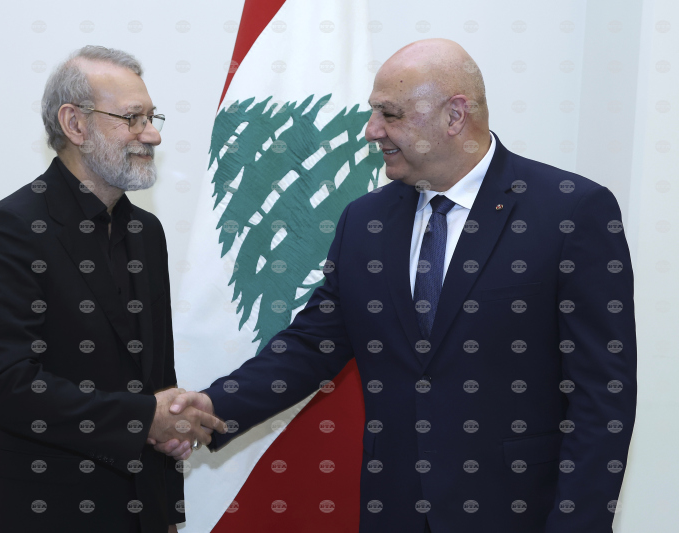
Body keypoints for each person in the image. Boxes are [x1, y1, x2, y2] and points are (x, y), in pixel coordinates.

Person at [161, 39, 637, 532]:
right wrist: (213, 406)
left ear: (455, 116)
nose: (372, 131)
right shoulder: (365, 221)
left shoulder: (569, 212)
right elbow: (312, 345)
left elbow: (603, 396)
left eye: (389, 114)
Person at [0, 45, 225, 533]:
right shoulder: (9, 229)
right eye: (133, 118)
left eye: (152, 117)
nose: (153, 134)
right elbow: (4, 384)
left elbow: (157, 380)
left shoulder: (146, 232)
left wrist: (167, 509)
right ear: (75, 124)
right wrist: (144, 418)